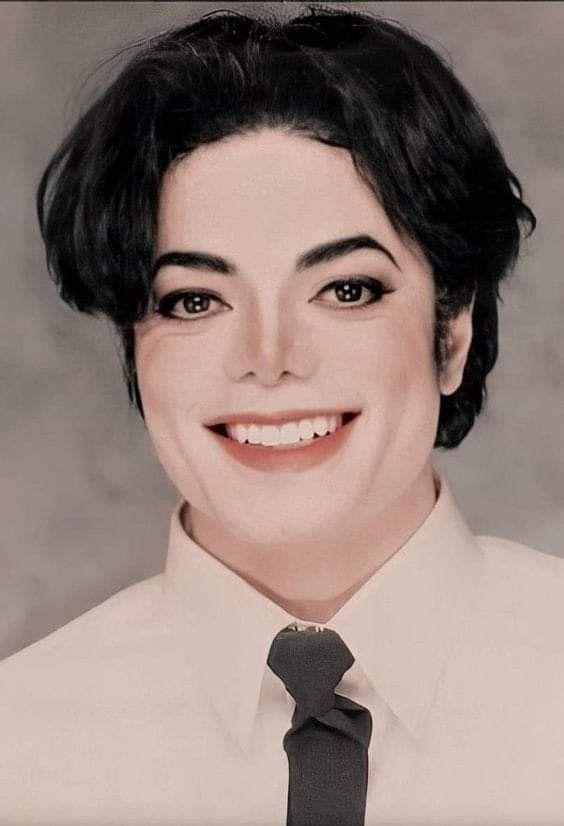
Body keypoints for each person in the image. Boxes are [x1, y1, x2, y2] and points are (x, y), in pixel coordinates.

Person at [1, 5, 563, 825]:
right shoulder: (18, 746)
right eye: (195, 299)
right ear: (134, 345)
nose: (269, 357)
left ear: (452, 332)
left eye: (346, 290)